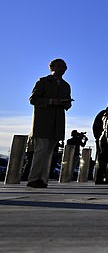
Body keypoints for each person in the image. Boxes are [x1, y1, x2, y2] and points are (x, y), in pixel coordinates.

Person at [26, 58, 73, 189]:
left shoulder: (66, 85)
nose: (62, 69)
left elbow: (68, 104)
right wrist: (52, 101)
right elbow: (33, 99)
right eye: (60, 66)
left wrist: (66, 103)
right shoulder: (43, 81)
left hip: (57, 124)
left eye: (64, 67)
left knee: (49, 153)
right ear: (52, 67)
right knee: (40, 151)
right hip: (43, 123)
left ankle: (42, 179)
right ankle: (33, 178)